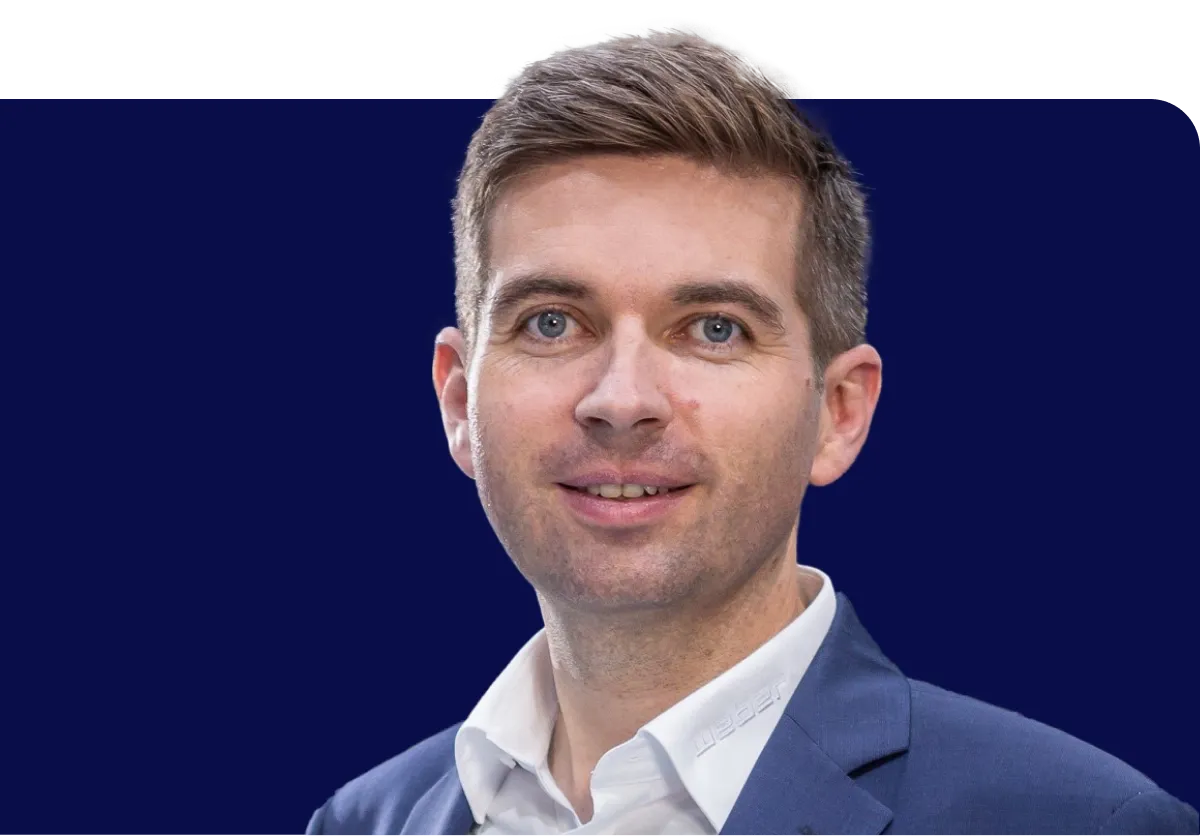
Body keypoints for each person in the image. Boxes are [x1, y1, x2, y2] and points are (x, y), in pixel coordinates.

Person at [303, 21, 1198, 836]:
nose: (621, 400)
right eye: (551, 321)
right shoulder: (361, 822)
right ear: (460, 402)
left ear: (837, 414)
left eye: (714, 328)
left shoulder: (1081, 824)